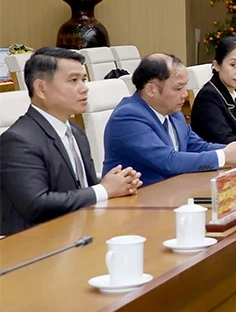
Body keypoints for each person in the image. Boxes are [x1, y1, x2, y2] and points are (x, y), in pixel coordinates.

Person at [0, 48, 141, 235]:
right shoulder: (17, 140)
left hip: (78, 233)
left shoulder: (75, 131)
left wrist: (117, 183)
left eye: (84, 79)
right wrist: (104, 190)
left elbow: (81, 188)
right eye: (73, 81)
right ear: (41, 88)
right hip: (34, 246)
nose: (84, 88)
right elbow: (37, 205)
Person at [104, 53, 236, 186]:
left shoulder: (173, 112)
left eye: (186, 86)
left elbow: (196, 145)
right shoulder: (128, 117)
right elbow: (168, 161)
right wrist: (223, 156)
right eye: (178, 88)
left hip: (172, 192)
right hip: (136, 202)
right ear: (151, 90)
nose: (185, 94)